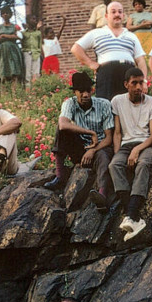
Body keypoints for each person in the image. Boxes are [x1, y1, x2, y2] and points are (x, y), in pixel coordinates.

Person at [44, 70, 114, 208]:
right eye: (81, 91)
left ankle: (102, 195)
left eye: (88, 90)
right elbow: (63, 124)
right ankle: (60, 176)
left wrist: (93, 150)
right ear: (75, 92)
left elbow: (109, 138)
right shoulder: (70, 103)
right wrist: (90, 132)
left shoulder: (104, 104)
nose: (85, 95)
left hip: (100, 147)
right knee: (62, 130)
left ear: (92, 90)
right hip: (80, 147)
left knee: (104, 157)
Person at [110, 66, 152, 241]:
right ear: (126, 84)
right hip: (126, 145)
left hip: (146, 144)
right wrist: (118, 154)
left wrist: (137, 150)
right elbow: (117, 132)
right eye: (134, 83)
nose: (139, 87)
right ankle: (134, 217)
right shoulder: (117, 101)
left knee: (143, 164)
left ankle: (131, 214)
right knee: (114, 165)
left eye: (141, 82)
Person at [71, 1, 148, 101]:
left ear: (123, 16)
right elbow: (76, 48)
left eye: (120, 12)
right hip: (106, 75)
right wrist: (90, 63)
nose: (117, 14)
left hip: (128, 75)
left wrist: (143, 81)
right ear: (106, 16)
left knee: (129, 106)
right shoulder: (97, 33)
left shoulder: (131, 36)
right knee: (106, 105)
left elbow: (141, 61)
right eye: (113, 12)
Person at [0, 7, 24, 85]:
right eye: (3, 13)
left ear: (11, 14)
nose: (5, 14)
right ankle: (4, 91)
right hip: (3, 50)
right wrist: (11, 36)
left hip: (13, 49)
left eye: (7, 13)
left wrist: (4, 36)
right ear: (1, 15)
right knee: (3, 70)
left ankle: (15, 90)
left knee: (14, 70)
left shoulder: (15, 26)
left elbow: (18, 37)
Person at [21, 17, 43, 88]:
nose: (35, 21)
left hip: (36, 53)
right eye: (33, 19)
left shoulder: (38, 33)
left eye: (35, 19)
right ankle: (28, 89)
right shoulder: (23, 33)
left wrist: (40, 53)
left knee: (36, 72)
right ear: (28, 21)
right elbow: (22, 43)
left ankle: (35, 89)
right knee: (27, 72)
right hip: (27, 53)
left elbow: (40, 44)